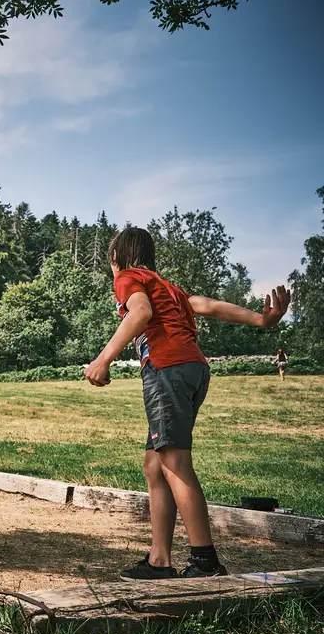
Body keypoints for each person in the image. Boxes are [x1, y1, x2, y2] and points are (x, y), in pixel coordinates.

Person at [84, 228, 290, 580]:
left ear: (115, 258)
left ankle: (205, 560)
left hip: (168, 368)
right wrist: (260, 319)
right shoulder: (169, 287)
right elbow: (207, 305)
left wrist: (103, 359)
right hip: (194, 368)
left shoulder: (128, 278)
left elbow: (140, 314)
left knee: (175, 463)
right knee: (155, 464)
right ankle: (159, 560)